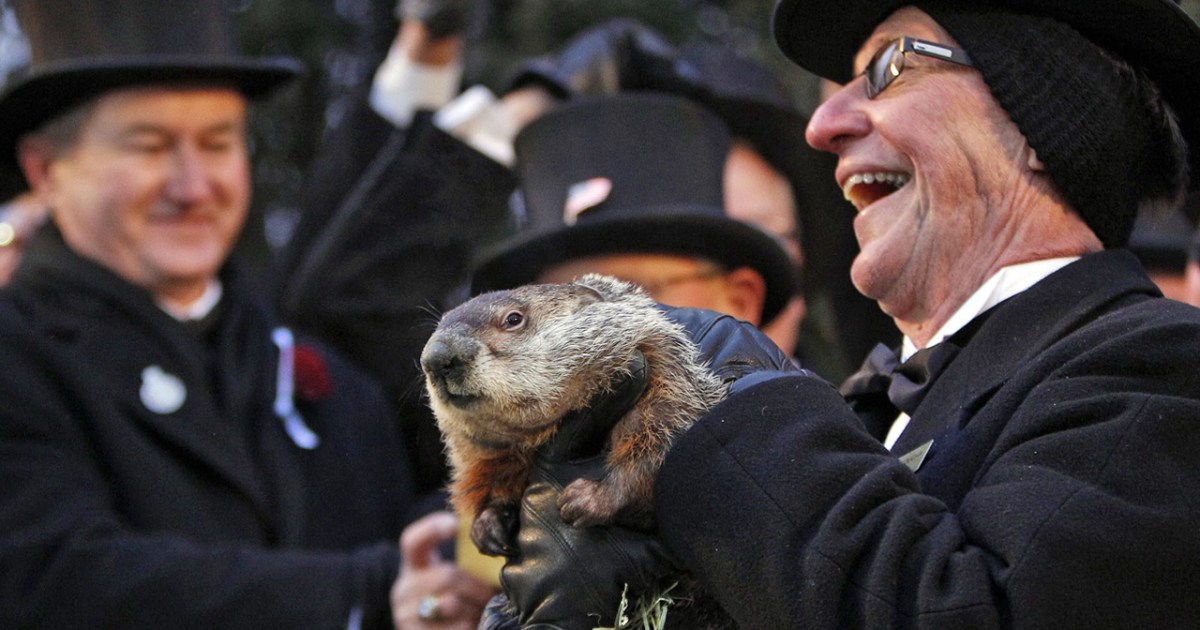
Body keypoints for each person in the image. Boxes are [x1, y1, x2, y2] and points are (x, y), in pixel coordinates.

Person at [484, 0, 1200, 627]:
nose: (823, 123)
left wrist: (711, 406)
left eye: (890, 67)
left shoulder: (1161, 371)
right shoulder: (873, 405)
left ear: (1042, 120)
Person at [0, 1, 493, 627]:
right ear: (46, 170)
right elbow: (56, 581)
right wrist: (366, 592)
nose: (193, 185)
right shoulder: (20, 355)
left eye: (218, 143)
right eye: (149, 146)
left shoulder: (326, 378)